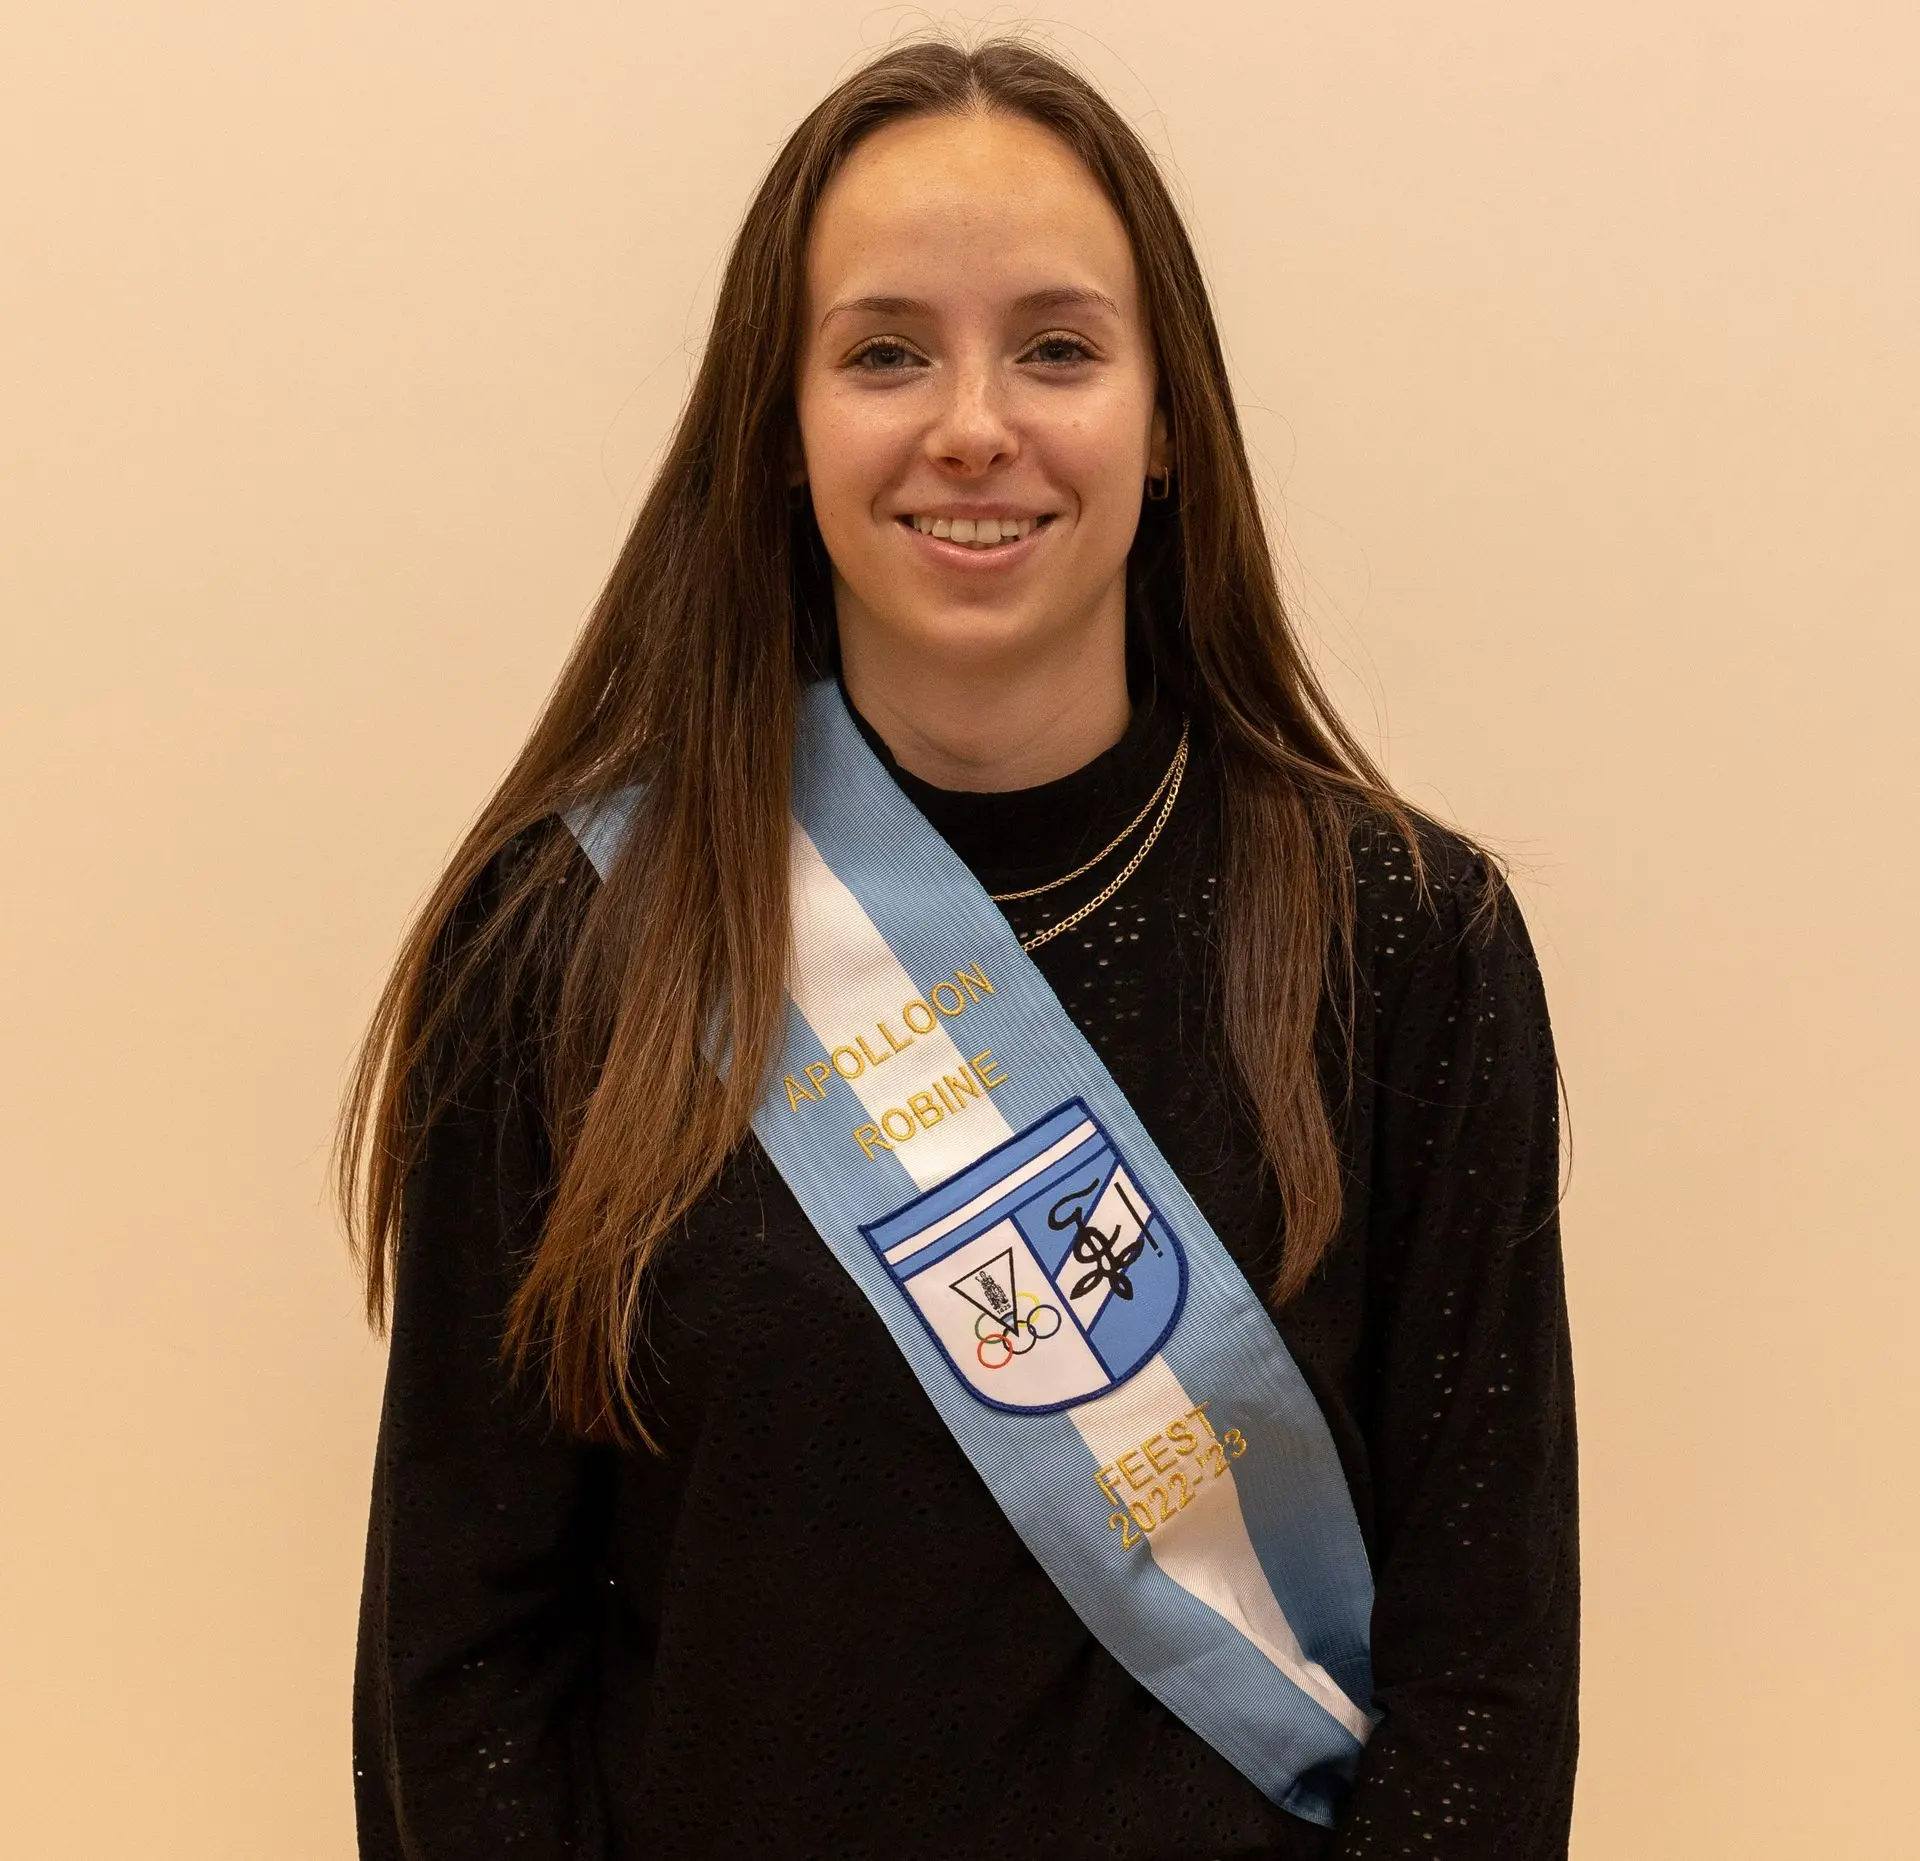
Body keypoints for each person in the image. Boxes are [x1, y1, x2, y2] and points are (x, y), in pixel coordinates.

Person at [343, 36, 1577, 1861]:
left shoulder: (1408, 943)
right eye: (885, 352)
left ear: (1170, 425)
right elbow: (461, 1680)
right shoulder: (562, 941)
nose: (975, 425)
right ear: (780, 430)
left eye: (1059, 348)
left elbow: (1487, 1683)